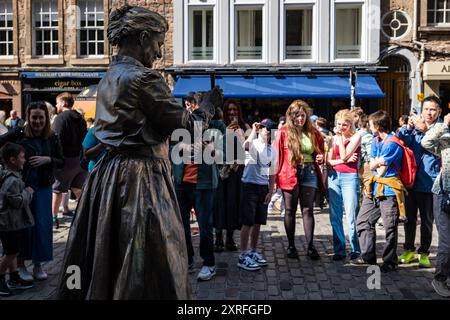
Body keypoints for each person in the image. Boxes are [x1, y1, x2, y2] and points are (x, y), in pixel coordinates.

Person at [56, 5, 220, 300]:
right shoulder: (143, 79)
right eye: (158, 43)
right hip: (140, 179)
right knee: (153, 259)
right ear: (143, 38)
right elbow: (185, 125)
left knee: (106, 254)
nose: (158, 53)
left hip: (107, 177)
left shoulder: (109, 76)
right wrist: (206, 107)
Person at [0, 102, 65, 281]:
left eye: (40, 117)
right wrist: (9, 166)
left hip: (43, 188)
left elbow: (61, 160)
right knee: (23, 227)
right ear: (28, 117)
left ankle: (38, 264)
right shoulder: (19, 134)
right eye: (34, 117)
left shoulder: (52, 137)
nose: (37, 121)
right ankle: (20, 266)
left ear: (46, 119)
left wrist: (48, 159)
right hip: (23, 187)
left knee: (42, 227)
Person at [173, 92, 225, 281]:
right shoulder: (180, 125)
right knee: (182, 225)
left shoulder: (216, 126)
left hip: (204, 184)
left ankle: (208, 263)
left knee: (205, 226)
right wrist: (181, 148)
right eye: (187, 104)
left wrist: (209, 149)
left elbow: (223, 155)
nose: (189, 107)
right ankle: (187, 259)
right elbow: (169, 147)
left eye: (193, 104)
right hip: (181, 183)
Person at [273, 100, 325, 260]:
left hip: (309, 170)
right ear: (291, 116)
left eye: (303, 115)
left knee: (308, 209)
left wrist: (320, 157)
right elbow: (276, 157)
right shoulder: (283, 132)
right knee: (289, 210)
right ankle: (291, 246)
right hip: (289, 172)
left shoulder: (313, 132)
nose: (301, 119)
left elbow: (320, 151)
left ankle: (310, 246)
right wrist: (274, 179)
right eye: (297, 116)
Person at [355, 110, 406, 272]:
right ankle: (368, 256)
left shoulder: (392, 143)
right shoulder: (377, 141)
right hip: (374, 188)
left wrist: (377, 163)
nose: (368, 127)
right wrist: (377, 163)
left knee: (390, 227)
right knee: (363, 221)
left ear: (377, 125)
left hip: (389, 190)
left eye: (370, 124)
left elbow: (382, 171)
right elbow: (372, 165)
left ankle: (390, 260)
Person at [397, 96, 442, 268]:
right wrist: (408, 128)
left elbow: (442, 150)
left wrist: (425, 131)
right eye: (426, 109)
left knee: (427, 221)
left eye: (432, 109)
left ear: (439, 111)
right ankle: (408, 250)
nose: (429, 112)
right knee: (408, 219)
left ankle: (424, 252)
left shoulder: (442, 129)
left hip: (429, 184)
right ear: (421, 110)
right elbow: (402, 141)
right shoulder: (415, 129)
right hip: (410, 182)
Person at [238, 119, 276, 271]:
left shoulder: (272, 150)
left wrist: (270, 190)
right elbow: (245, 146)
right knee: (247, 222)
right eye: (264, 127)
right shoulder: (254, 142)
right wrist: (253, 130)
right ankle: (242, 255)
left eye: (269, 128)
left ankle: (252, 251)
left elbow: (272, 172)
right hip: (249, 186)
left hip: (262, 187)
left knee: (258, 222)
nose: (266, 130)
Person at [214, 99, 249, 252]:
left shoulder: (244, 126)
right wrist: (227, 133)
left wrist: (239, 134)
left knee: (233, 204)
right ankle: (218, 237)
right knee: (219, 203)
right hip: (221, 171)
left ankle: (229, 237)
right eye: (229, 110)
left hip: (236, 171)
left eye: (234, 109)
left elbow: (248, 148)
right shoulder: (219, 126)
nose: (232, 113)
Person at [0, 143, 35, 296]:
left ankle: (14, 277)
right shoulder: (12, 180)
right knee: (11, 253)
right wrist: (28, 192)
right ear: (13, 160)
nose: (25, 160)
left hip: (11, 222)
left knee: (12, 250)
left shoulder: (10, 174)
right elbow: (18, 201)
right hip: (8, 223)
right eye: (22, 157)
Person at [327, 109, 362, 262]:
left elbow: (345, 152)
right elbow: (330, 161)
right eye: (339, 124)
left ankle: (356, 248)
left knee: (352, 215)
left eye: (345, 125)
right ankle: (339, 249)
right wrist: (343, 160)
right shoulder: (332, 139)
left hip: (349, 177)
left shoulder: (356, 136)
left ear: (351, 124)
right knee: (335, 215)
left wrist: (340, 138)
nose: (341, 127)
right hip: (334, 176)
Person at [422, 113, 450, 297]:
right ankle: (439, 279)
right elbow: (426, 142)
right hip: (444, 194)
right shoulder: (446, 138)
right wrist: (444, 123)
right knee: (447, 242)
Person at [51, 92, 88, 225]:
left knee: (57, 190)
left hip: (66, 159)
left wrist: (55, 158)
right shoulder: (81, 118)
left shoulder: (60, 118)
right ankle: (87, 213)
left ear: (63, 103)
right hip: (80, 159)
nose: (56, 105)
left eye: (57, 102)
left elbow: (56, 138)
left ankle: (54, 218)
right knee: (77, 188)